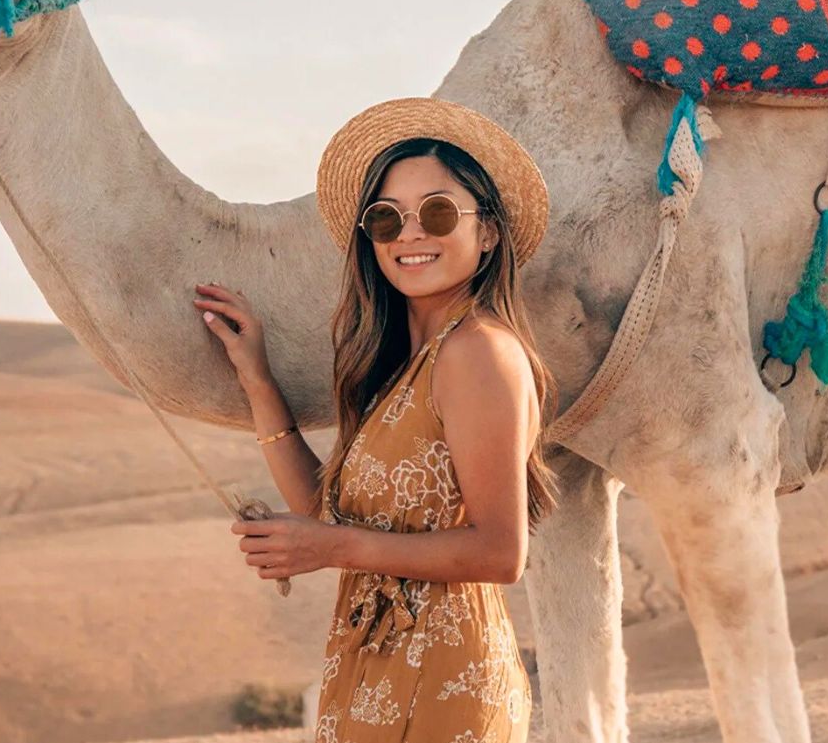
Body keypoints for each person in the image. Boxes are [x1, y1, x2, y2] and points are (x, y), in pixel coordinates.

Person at [191, 96, 562, 741]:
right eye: (387, 219)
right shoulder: (405, 366)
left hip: (447, 682)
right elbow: (321, 509)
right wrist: (257, 377)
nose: (410, 234)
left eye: (438, 212)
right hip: (371, 672)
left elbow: (503, 553)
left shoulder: (479, 354)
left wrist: (332, 548)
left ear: (489, 232)